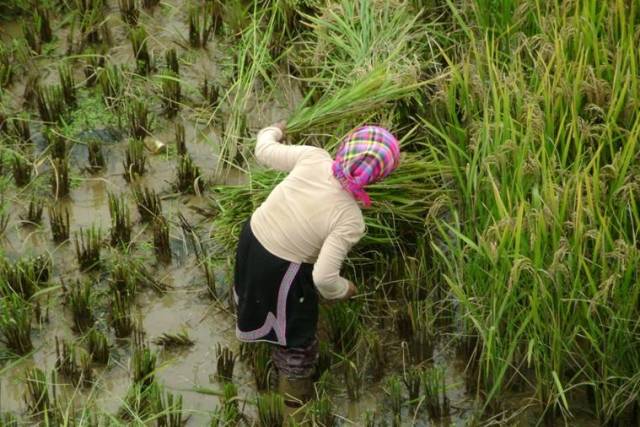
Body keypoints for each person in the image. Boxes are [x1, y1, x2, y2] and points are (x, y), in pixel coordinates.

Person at [233, 122, 400, 408]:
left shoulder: (313, 157)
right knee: (297, 339)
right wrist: (344, 289)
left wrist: (273, 130)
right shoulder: (350, 219)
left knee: (253, 293)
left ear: (344, 147)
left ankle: (257, 329)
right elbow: (323, 278)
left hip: (252, 240)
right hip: (282, 269)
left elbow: (263, 150)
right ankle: (294, 402)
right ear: (377, 178)